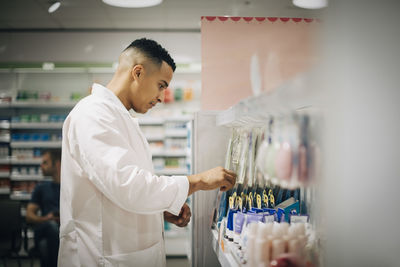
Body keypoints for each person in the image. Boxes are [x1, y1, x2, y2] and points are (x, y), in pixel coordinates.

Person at [58, 38, 236, 267]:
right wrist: (198, 181)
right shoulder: (92, 115)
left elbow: (114, 192)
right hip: (102, 257)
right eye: (161, 85)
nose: (162, 97)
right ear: (138, 72)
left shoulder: (119, 117)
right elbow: (127, 186)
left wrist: (158, 211)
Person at [26, 149, 61, 267]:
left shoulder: (71, 188)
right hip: (45, 228)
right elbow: (29, 215)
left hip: (65, 228)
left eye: (45, 162)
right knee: (52, 226)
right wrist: (46, 218)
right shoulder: (41, 188)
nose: (41, 166)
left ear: (57, 164)